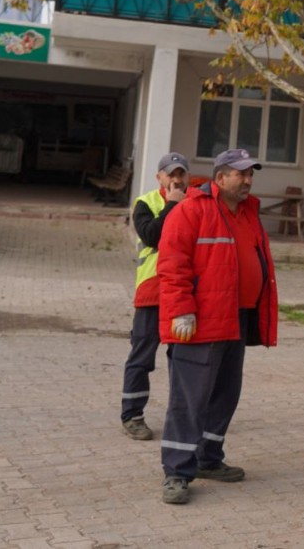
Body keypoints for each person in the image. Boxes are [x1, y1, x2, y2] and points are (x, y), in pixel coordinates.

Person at [157, 147, 278, 505]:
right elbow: (172, 263)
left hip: (236, 318)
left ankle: (209, 459)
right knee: (189, 399)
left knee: (225, 394)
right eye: (241, 173)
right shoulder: (191, 210)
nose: (248, 180)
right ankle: (177, 472)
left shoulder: (249, 214)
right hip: (199, 321)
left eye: (251, 173)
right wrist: (181, 310)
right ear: (220, 177)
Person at [120, 151, 190, 440]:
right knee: (142, 356)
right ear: (159, 177)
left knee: (185, 360)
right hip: (152, 291)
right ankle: (132, 416)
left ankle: (185, 416)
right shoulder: (145, 203)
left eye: (180, 173)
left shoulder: (197, 202)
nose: (176, 178)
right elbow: (153, 236)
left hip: (184, 293)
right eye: (170, 173)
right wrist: (173, 205)